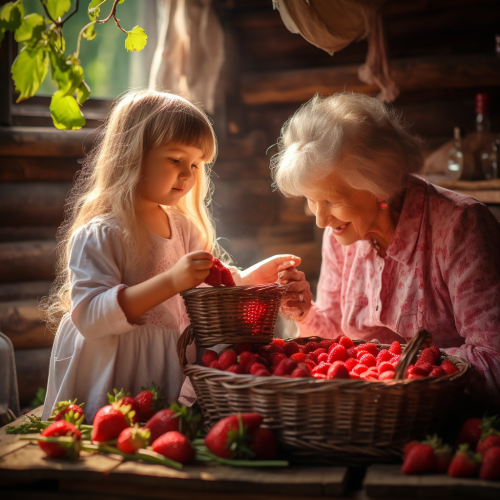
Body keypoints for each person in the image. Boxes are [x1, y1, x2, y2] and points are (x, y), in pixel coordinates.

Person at [42, 90, 299, 420]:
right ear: (133, 154)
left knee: (152, 441)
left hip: (161, 363)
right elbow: (90, 318)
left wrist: (247, 278)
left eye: (195, 164)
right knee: (105, 447)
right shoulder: (101, 234)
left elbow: (204, 285)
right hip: (109, 366)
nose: (188, 174)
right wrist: (170, 282)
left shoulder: (183, 229)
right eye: (176, 160)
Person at [272, 92, 500, 409]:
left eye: (332, 200)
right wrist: (305, 312)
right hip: (368, 414)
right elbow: (338, 338)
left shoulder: (462, 228)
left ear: (379, 183)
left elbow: (494, 358)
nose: (322, 219)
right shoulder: (342, 231)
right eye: (312, 200)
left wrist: (396, 370)